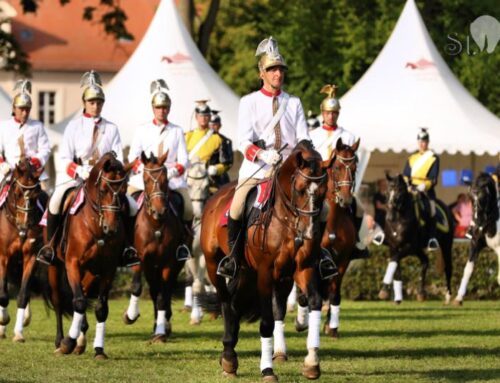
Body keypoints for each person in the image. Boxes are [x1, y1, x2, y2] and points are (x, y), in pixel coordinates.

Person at [217, 36, 336, 280]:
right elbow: (242, 141)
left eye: (280, 69)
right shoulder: (248, 102)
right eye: (272, 69)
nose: (277, 74)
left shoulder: (293, 102)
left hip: (291, 171)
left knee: (322, 209)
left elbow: (303, 137)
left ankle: (319, 255)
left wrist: (304, 156)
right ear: (262, 73)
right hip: (257, 169)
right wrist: (262, 154)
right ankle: (233, 259)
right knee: (237, 206)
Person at [37, 70, 140, 266]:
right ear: (85, 103)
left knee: (132, 205)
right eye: (92, 102)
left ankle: (128, 248)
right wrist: (79, 170)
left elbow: (118, 158)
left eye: (99, 103)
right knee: (55, 201)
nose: (96, 106)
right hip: (78, 177)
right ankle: (50, 246)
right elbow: (64, 157)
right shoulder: (73, 127)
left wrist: (108, 172)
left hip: (105, 181)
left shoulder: (111, 128)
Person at [310, 84, 381, 260]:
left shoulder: (348, 136)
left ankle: (356, 243)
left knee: (359, 209)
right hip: (318, 182)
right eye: (328, 113)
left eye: (334, 113)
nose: (331, 116)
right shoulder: (312, 135)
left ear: (338, 114)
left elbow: (351, 163)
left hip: (340, 184)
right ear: (323, 114)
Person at [128, 79, 192, 259]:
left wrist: (170, 173)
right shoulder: (142, 129)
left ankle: (182, 246)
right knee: (127, 204)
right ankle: (128, 245)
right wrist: (145, 171)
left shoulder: (177, 130)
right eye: (158, 107)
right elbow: (133, 156)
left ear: (169, 109)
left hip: (171, 179)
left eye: (165, 107)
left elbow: (184, 159)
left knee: (188, 208)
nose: (161, 111)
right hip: (144, 179)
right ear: (153, 109)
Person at [0, 80, 51, 192]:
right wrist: (2, 164)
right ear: (14, 108)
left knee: (47, 199)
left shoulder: (37, 126)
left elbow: (45, 149)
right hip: (9, 172)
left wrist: (35, 161)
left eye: (27, 109)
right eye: (21, 109)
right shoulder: (3, 126)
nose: (25, 113)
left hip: (33, 172)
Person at [402, 127, 440, 251]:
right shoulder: (412, 157)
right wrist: (407, 184)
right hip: (410, 189)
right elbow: (406, 174)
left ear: (427, 143)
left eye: (424, 142)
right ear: (418, 142)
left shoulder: (433, 157)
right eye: (420, 142)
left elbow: (433, 178)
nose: (422, 144)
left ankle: (432, 238)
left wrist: (423, 186)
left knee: (432, 209)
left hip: (425, 190)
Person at [207, 110, 233, 191]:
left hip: (218, 177)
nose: (212, 127)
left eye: (215, 125)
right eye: (210, 125)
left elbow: (228, 162)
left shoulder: (225, 141)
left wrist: (216, 169)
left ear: (220, 125)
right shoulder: (199, 140)